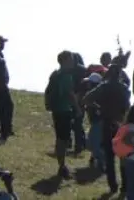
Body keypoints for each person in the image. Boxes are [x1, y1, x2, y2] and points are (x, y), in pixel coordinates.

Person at [84, 62, 132, 194]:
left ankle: (113, 185)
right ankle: (125, 186)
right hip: (120, 123)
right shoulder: (124, 89)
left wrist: (99, 107)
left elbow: (87, 99)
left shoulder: (103, 87)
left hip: (106, 122)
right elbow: (127, 106)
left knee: (109, 156)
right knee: (123, 156)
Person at [45, 50, 79, 179]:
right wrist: (77, 108)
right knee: (63, 139)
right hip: (64, 109)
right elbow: (70, 94)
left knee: (61, 137)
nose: (73, 62)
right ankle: (62, 166)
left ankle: (62, 164)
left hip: (56, 109)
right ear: (64, 61)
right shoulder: (66, 76)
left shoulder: (55, 74)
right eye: (70, 59)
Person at [113, 104, 134, 200]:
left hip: (128, 158)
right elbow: (133, 143)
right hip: (133, 159)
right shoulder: (133, 128)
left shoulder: (126, 126)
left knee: (132, 184)